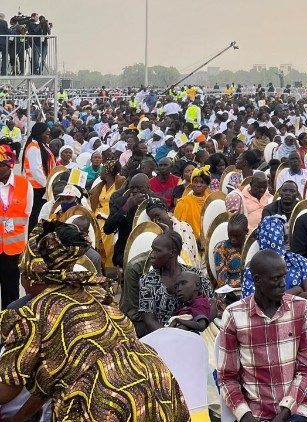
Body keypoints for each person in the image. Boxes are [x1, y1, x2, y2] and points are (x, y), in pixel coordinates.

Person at [0, 221, 189, 420]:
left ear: (31, 276)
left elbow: (6, 391)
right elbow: (50, 383)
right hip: (157, 388)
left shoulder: (34, 314)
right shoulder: (96, 293)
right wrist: (17, 418)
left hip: (107, 403)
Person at [218, 249, 307, 422]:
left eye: (283, 276)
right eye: (275, 279)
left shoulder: (300, 308)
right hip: (253, 414)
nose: (283, 284)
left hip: (293, 412)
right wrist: (245, 415)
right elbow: (227, 377)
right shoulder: (234, 315)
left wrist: (284, 412)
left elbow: (305, 370)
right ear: (257, 280)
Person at [241, 216, 307, 420]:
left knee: (306, 363)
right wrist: (296, 291)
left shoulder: (298, 261)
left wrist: (287, 295)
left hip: (300, 318)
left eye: (279, 236)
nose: (276, 240)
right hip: (265, 321)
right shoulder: (254, 269)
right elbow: (254, 302)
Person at [138, 230, 213, 335]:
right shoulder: (148, 280)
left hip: (197, 332)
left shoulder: (195, 275)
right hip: (162, 334)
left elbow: (212, 304)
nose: (152, 255)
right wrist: (171, 337)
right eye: (152, 250)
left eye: (157, 251)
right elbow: (149, 320)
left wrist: (198, 325)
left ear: (172, 253)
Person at [0, 144, 32, 308]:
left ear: (9, 165)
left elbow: (27, 216)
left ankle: (8, 325)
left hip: (14, 250)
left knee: (11, 290)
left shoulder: (25, 186)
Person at [102, 172, 151, 268]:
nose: (135, 191)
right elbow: (107, 229)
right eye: (132, 188)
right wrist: (126, 207)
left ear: (148, 187)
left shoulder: (155, 201)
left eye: (139, 187)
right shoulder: (120, 202)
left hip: (149, 248)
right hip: (125, 249)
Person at [145, 196, 202, 268]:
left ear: (166, 211)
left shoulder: (184, 227)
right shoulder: (156, 236)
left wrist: (168, 233)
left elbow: (187, 254)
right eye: (152, 218)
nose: (156, 219)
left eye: (157, 215)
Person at [21, 122, 55, 232]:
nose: (48, 136)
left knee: (41, 215)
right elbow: (36, 170)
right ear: (40, 134)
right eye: (47, 134)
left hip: (41, 186)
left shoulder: (42, 145)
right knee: (36, 216)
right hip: (37, 188)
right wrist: (47, 185)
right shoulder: (33, 148)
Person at [174, 165, 212, 240]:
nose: (198, 185)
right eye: (196, 182)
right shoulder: (183, 202)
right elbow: (176, 226)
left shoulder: (212, 203)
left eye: (202, 182)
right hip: (188, 242)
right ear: (191, 183)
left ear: (207, 185)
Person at [213, 213, 249, 288]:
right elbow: (222, 280)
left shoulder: (250, 245)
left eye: (236, 236)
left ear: (246, 231)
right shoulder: (221, 248)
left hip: (252, 288)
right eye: (230, 235)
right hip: (230, 292)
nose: (233, 239)